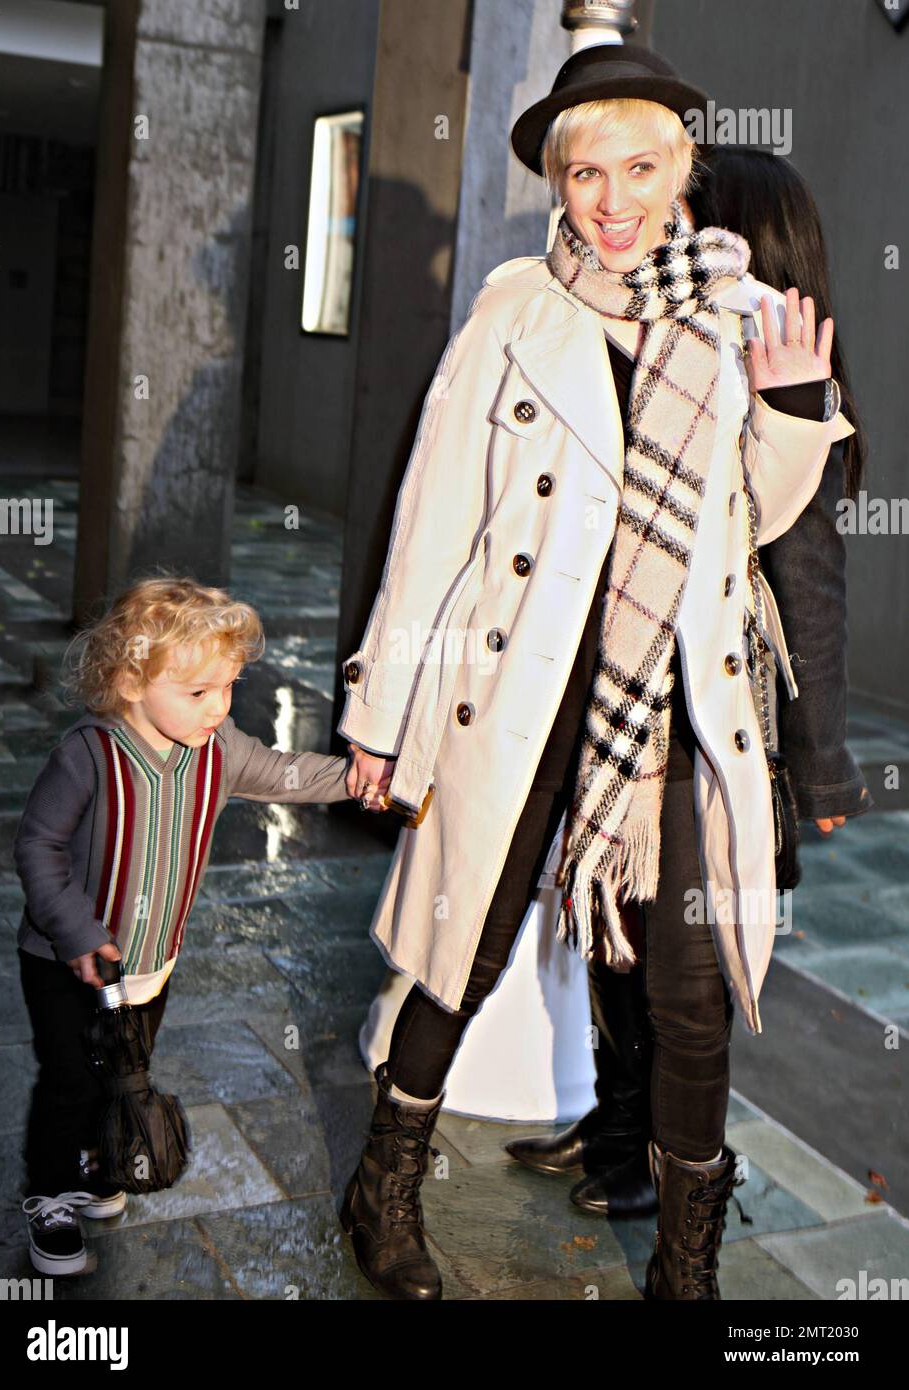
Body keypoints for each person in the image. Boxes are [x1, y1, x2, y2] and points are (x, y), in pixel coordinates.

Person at [337, 45, 855, 1301]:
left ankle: (687, 1270)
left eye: (638, 167)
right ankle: (383, 1186)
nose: (610, 200)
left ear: (684, 170)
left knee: (689, 1001)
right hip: (517, 691)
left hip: (673, 711)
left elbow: (755, 526)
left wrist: (790, 408)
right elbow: (434, 520)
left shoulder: (735, 319)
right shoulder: (514, 310)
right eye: (584, 173)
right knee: (456, 945)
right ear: (556, 184)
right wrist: (380, 708)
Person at [506, 145, 873, 1223]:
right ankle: (615, 1124)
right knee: (612, 933)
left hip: (722, 737)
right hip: (633, 717)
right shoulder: (669, 360)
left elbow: (809, 589)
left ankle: (660, 1172)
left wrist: (824, 765)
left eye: (688, 217)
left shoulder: (786, 386)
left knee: (685, 978)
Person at [13, 574, 353, 1276]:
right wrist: (77, 932)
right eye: (198, 693)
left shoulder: (219, 750)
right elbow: (38, 847)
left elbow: (285, 773)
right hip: (65, 961)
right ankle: (48, 1193)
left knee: (124, 1068)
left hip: (152, 963)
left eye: (227, 688)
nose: (218, 708)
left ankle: (100, 1167)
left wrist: (357, 781)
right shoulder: (89, 755)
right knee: (69, 1079)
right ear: (132, 681)